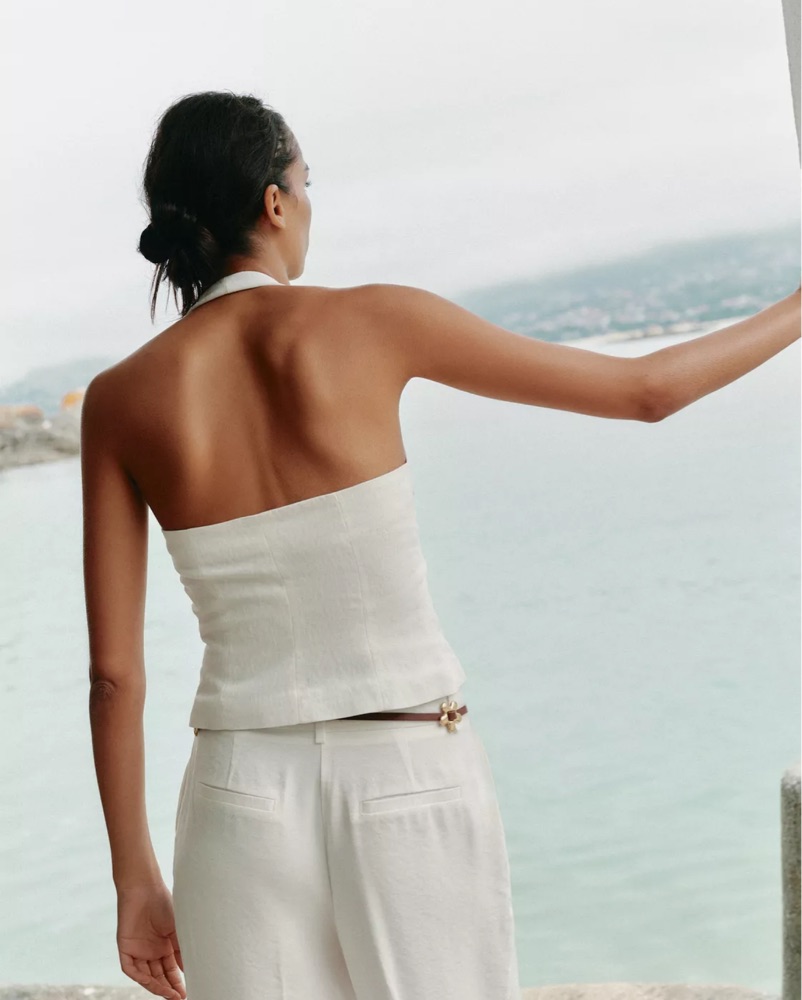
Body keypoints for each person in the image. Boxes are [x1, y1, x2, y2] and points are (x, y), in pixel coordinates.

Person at [80, 89, 801, 1000]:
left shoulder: (120, 400)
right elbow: (646, 391)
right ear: (274, 203)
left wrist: (135, 880)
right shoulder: (376, 322)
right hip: (407, 764)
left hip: (236, 794)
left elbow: (114, 678)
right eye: (306, 185)